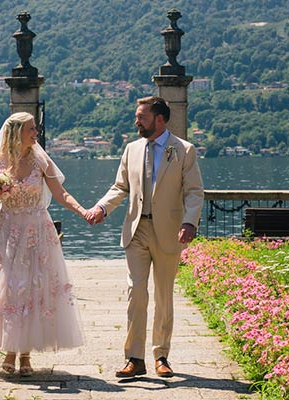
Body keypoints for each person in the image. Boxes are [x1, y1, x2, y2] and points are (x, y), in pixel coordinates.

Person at [85, 96, 204, 378]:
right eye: (138, 116)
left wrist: (189, 222)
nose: (137, 121)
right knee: (136, 293)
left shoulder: (184, 150)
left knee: (163, 296)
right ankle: (134, 358)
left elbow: (194, 192)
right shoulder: (132, 149)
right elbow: (120, 186)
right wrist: (102, 207)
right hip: (136, 230)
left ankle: (161, 356)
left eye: (141, 116)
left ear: (159, 119)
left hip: (169, 232)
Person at [0, 111, 86, 377]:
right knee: (11, 288)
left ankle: (25, 354)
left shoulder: (40, 161)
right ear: (16, 132)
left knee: (34, 285)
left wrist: (83, 211)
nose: (36, 133)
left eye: (36, 129)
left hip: (36, 231)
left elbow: (61, 194)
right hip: (8, 230)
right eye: (31, 129)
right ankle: (10, 350)